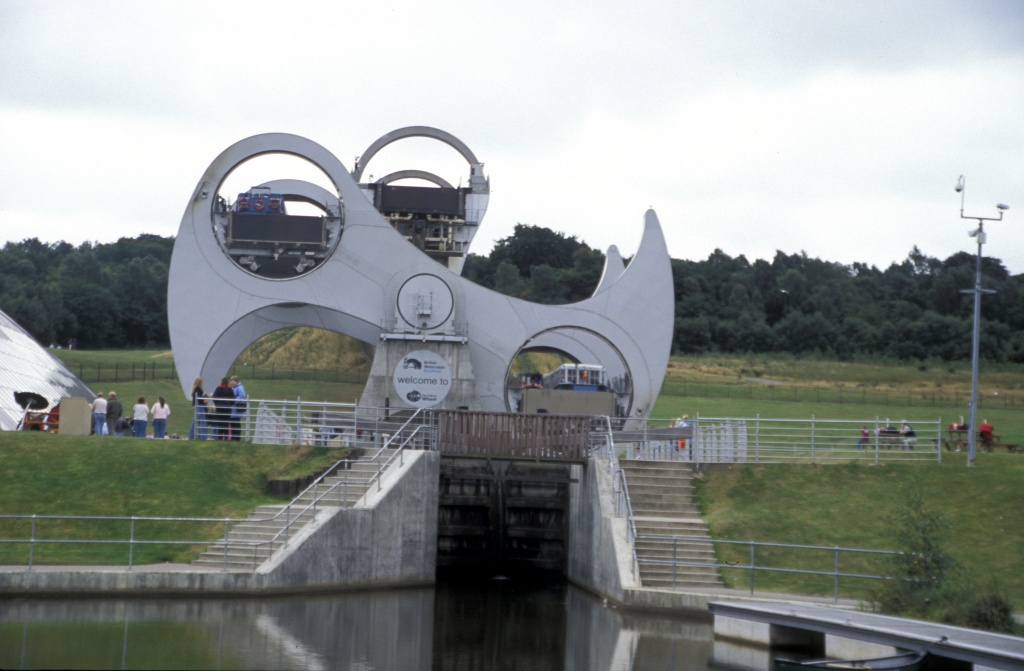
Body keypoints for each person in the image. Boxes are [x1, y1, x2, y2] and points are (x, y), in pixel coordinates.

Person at [229, 375, 247, 441]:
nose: (232, 382)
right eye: (231, 381)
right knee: (233, 423)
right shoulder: (233, 388)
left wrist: (234, 401)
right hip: (233, 410)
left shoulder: (239, 387)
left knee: (236, 423)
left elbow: (242, 395)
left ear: (236, 381)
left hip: (236, 409)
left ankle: (237, 438)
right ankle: (234, 437)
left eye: (233, 381)